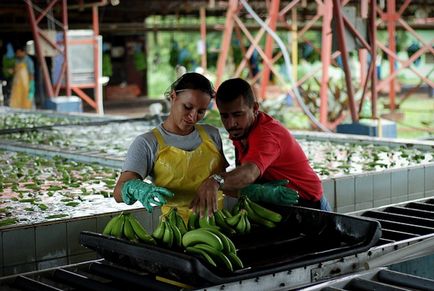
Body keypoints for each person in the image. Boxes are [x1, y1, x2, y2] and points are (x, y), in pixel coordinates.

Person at [192, 78, 331, 216]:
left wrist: (216, 180)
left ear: (255, 108)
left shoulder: (266, 135)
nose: (231, 123)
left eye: (237, 114)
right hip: (280, 208)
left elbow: (248, 174)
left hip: (310, 207)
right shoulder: (241, 132)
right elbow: (240, 181)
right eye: (225, 116)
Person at [113, 72, 228, 221]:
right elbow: (117, 192)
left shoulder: (212, 134)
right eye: (187, 107)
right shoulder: (147, 143)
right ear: (173, 97)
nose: (193, 117)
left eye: (201, 111)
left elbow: (225, 180)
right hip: (174, 231)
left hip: (217, 225)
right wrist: (136, 188)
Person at [9, 44, 35, 109]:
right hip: (17, 85)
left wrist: (31, 84)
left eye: (18, 53)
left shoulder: (29, 61)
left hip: (26, 85)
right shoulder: (17, 60)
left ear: (23, 52)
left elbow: (31, 73)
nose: (17, 54)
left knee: (26, 101)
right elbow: (15, 70)